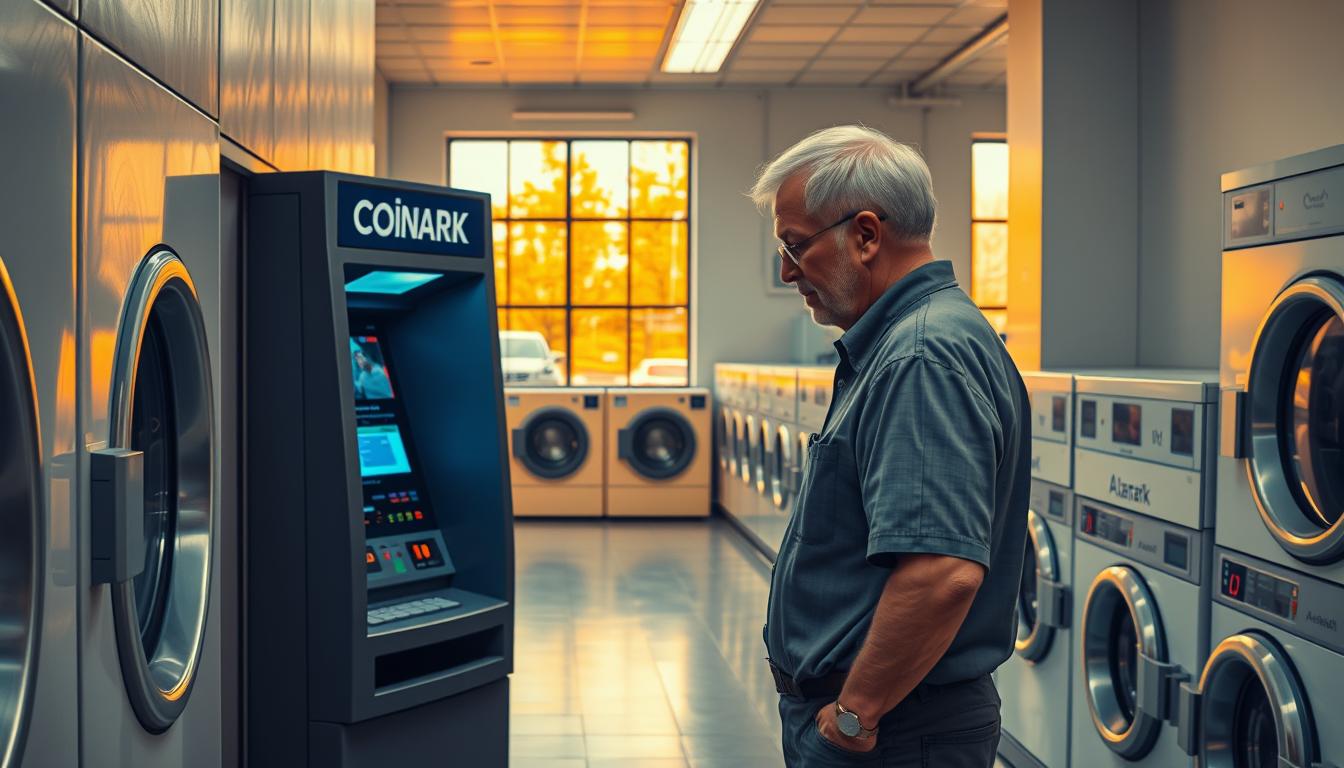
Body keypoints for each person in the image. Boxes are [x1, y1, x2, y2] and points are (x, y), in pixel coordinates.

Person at [748, 125, 1030, 767]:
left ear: (866, 235)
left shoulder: (920, 354)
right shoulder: (913, 339)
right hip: (895, 721)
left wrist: (852, 720)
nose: (788, 271)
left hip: (892, 732)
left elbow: (941, 572)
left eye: (794, 246)